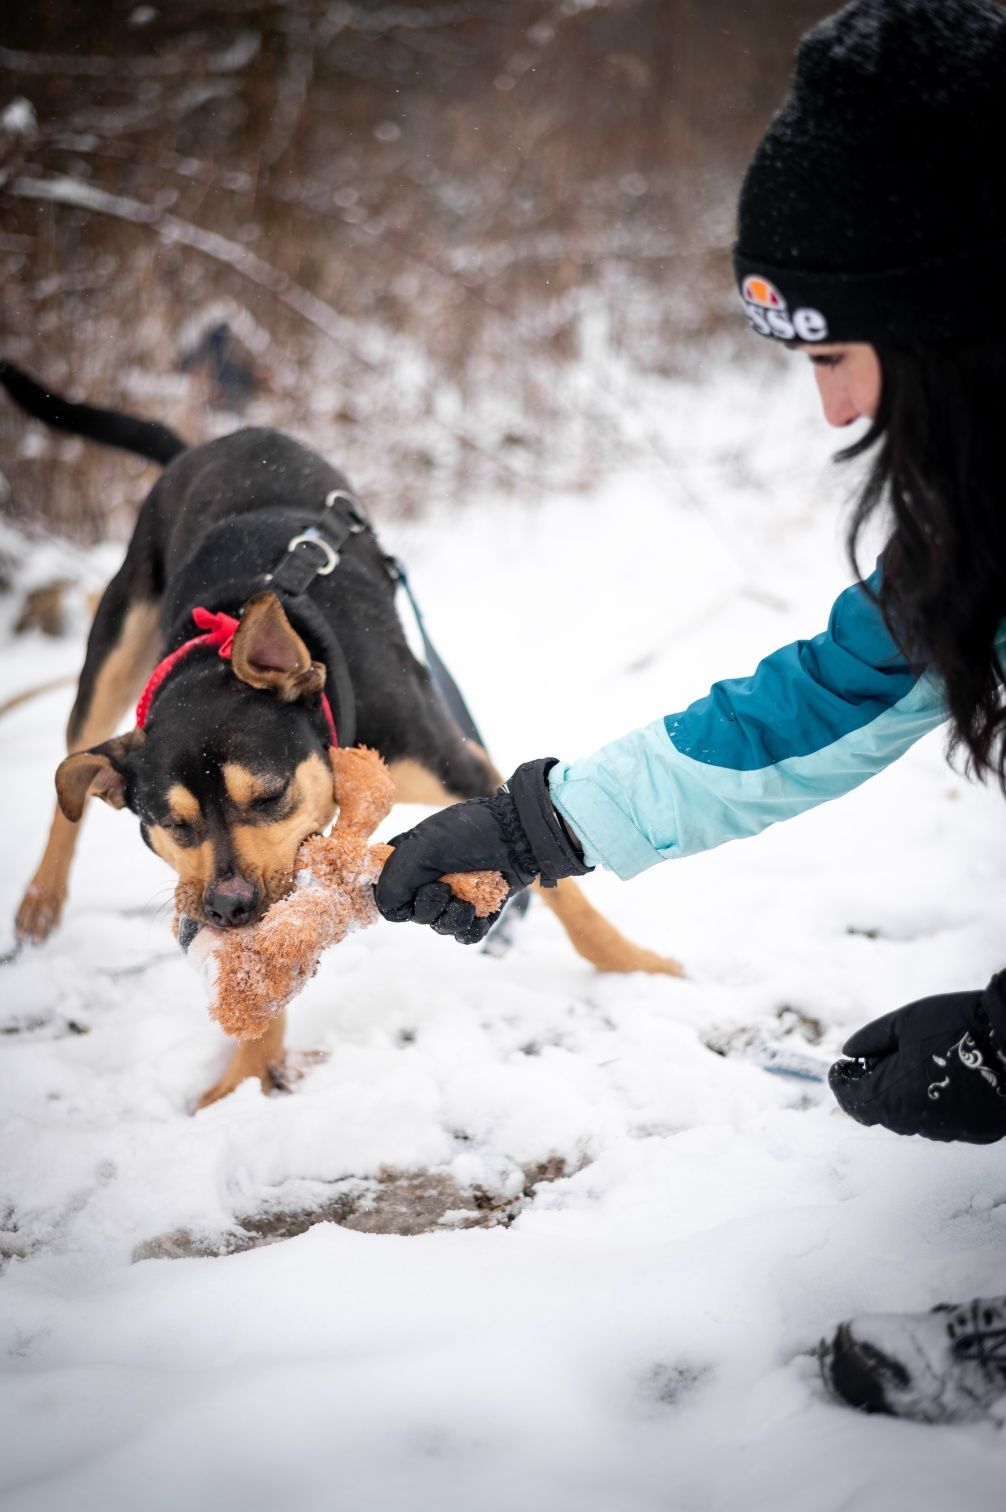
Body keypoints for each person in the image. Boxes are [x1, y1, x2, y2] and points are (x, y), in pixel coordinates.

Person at [375, 0, 1006, 1424]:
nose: (833, 418)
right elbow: (836, 695)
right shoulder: (983, 519)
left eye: (837, 356)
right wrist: (533, 826)